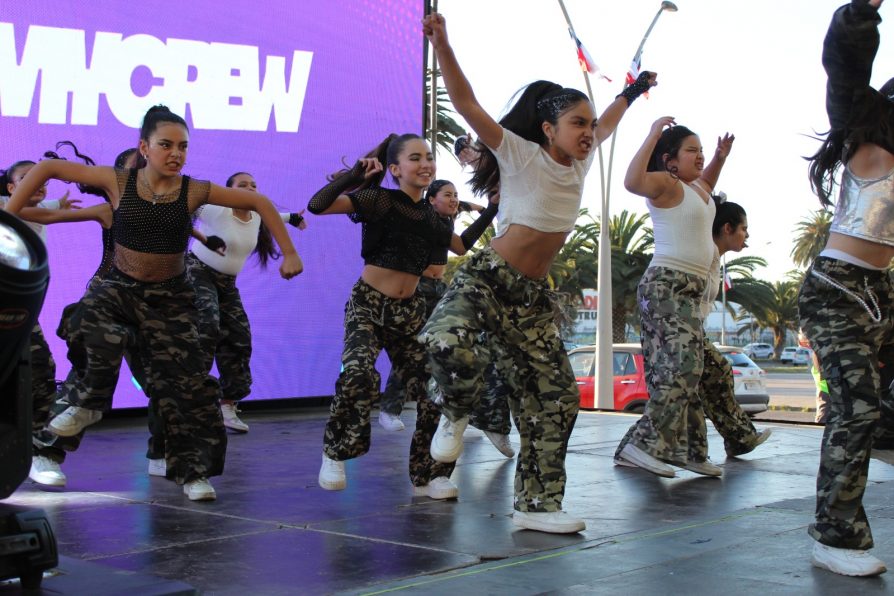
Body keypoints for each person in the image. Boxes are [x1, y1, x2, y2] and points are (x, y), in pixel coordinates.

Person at [420, 12, 655, 534]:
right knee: (444, 341)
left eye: (591, 125)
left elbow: (612, 118)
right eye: (578, 123)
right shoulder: (520, 153)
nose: (590, 132)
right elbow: (465, 104)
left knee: (556, 397)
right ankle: (456, 410)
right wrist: (443, 45)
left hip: (530, 297)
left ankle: (536, 505)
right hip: (488, 277)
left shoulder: (583, 162)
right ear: (549, 129)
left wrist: (634, 92)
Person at [4, 105, 302, 501]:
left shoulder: (194, 190)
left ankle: (193, 472)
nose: (175, 153)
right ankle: (81, 411)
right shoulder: (117, 181)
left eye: (182, 146)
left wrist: (289, 252)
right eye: (166, 144)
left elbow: (261, 203)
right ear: (144, 147)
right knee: (91, 328)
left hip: (170, 300)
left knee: (186, 387)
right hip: (116, 290)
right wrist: (7, 218)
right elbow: (46, 169)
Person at [308, 134, 468, 499]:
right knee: (360, 373)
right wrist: (353, 175)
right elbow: (317, 205)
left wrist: (490, 208)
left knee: (435, 388)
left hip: (408, 311)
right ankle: (336, 451)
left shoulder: (433, 217)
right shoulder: (378, 199)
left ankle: (429, 475)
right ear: (395, 169)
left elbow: (461, 245)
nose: (426, 164)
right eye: (415, 158)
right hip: (367, 304)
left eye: (429, 157)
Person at [799, 0, 893, 576]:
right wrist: (863, 10)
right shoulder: (865, 142)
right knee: (854, 409)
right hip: (836, 289)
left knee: (872, 413)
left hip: (883, 291)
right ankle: (834, 534)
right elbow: (846, 66)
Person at [613, 120, 734, 478]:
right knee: (682, 368)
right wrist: (651, 133)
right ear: (670, 160)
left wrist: (719, 157)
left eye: (700, 150)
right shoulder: (667, 185)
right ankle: (643, 446)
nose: (699, 156)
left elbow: (707, 181)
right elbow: (632, 182)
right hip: (666, 285)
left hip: (690, 291)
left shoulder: (698, 190)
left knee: (691, 373)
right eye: (691, 150)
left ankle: (692, 451)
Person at [375, 180, 514, 457]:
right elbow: (457, 237)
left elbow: (461, 247)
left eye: (456, 195)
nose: (453, 200)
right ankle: (390, 408)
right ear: (430, 199)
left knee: (471, 347)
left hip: (440, 289)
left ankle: (483, 418)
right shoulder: (422, 219)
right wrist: (476, 206)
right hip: (415, 290)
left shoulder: (444, 220)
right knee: (413, 351)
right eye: (447, 195)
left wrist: (488, 208)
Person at [1, 157, 111, 488]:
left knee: (41, 370)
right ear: (10, 188)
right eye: (26, 178)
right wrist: (87, 213)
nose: (37, 184)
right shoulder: (6, 205)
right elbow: (39, 213)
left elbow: (46, 206)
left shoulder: (38, 199)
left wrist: (61, 202)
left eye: (41, 179)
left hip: (17, 314)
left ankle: (39, 451)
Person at [186, 172, 308, 434]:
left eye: (254, 185)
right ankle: (193, 402)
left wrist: (294, 219)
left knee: (240, 338)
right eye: (243, 185)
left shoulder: (259, 216)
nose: (251, 188)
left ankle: (227, 405)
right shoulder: (216, 209)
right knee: (207, 324)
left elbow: (279, 217)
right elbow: (182, 208)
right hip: (197, 273)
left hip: (227, 284)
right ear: (229, 191)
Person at [798, 329, 829, 424]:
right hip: (825, 392)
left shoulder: (819, 353)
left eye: (805, 343)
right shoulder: (820, 352)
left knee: (822, 421)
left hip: (826, 393)